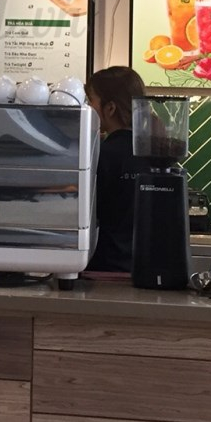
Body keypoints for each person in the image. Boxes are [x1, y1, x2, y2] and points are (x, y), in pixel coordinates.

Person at [84, 65, 148, 274]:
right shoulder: (155, 153)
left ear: (110, 108)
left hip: (105, 268)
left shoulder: (100, 154)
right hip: (145, 267)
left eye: (90, 101)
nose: (88, 107)